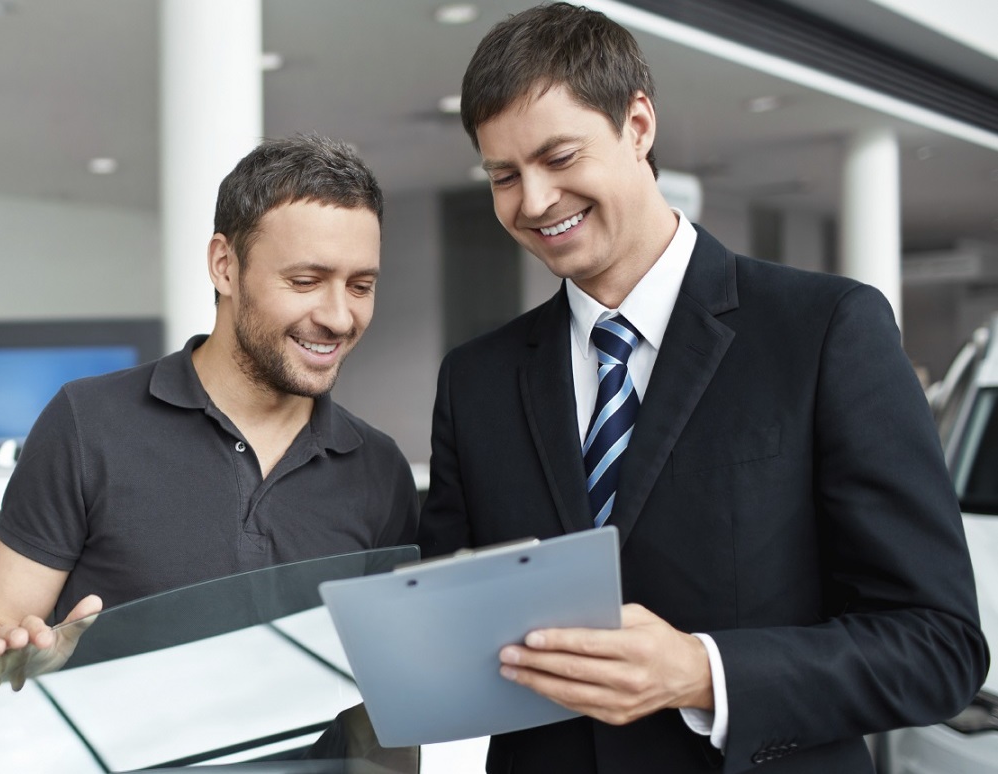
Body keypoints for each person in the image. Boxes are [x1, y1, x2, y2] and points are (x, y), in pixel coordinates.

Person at [420, 4, 988, 771]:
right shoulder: (476, 380)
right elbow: (449, 625)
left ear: (638, 126)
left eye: (559, 157)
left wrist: (702, 673)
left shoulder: (824, 331)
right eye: (503, 176)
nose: (532, 201)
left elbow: (936, 645)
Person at [0, 134, 420, 679]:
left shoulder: (379, 471)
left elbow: (387, 683)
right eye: (306, 281)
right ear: (224, 266)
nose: (339, 317)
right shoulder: (87, 423)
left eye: (361, 286)